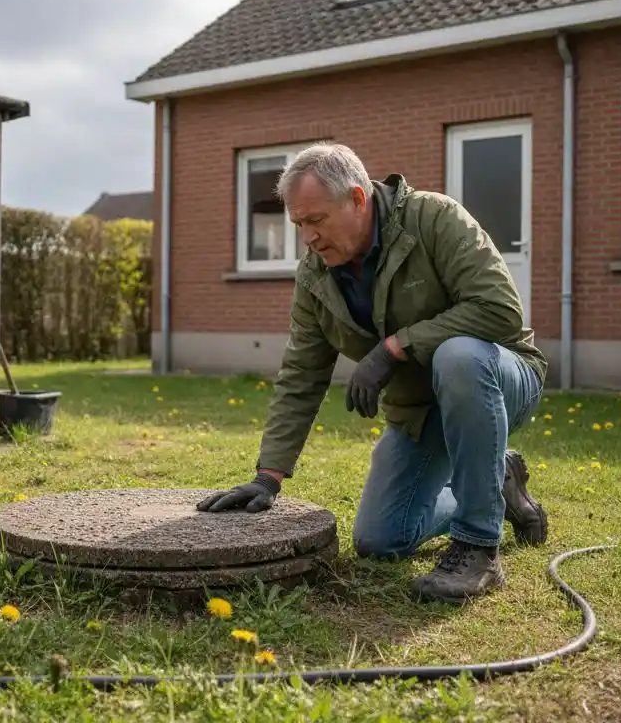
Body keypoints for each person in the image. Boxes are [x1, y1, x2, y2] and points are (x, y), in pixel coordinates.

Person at [196, 142, 549, 605]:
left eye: (316, 220)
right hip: (423, 412)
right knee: (381, 538)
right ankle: (495, 481)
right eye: (299, 223)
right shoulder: (316, 277)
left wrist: (395, 346)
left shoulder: (434, 219)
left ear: (358, 199)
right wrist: (269, 475)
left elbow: (499, 311)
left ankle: (479, 547)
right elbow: (302, 374)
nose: (308, 237)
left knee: (458, 356)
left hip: (499, 379)